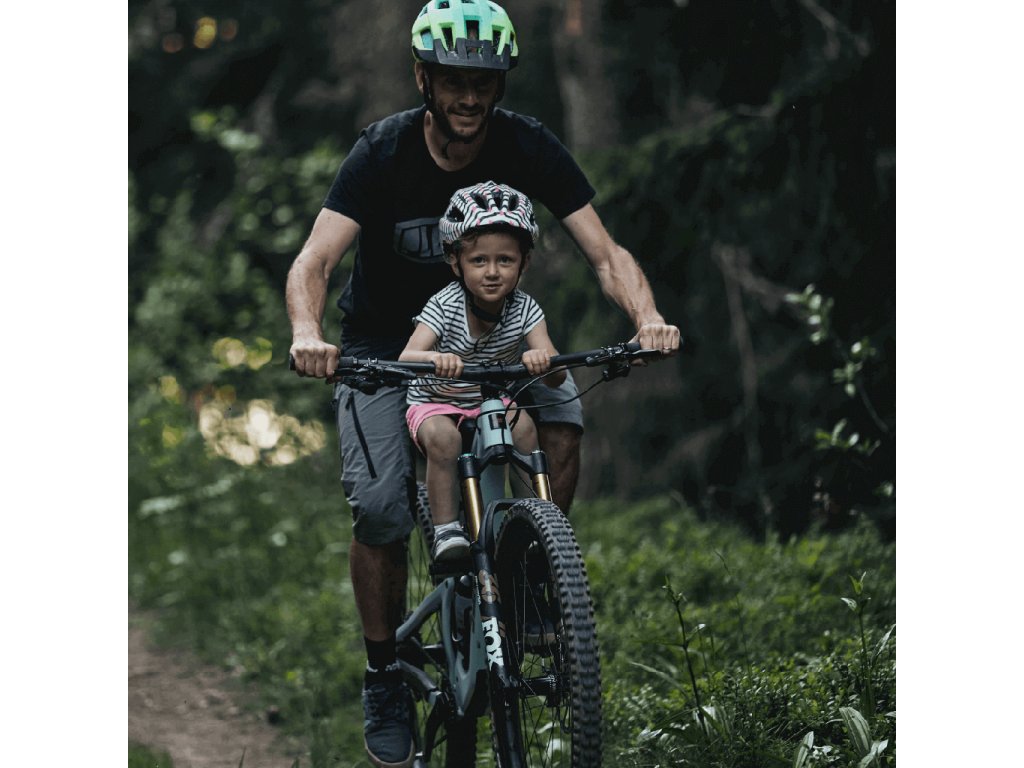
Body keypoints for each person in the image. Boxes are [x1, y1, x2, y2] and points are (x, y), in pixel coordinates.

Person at [285, 2, 680, 765]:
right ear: (423, 79)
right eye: (454, 81)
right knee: (380, 508)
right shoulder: (382, 152)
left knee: (561, 418)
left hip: (499, 346)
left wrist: (648, 316)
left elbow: (605, 252)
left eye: (484, 83)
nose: (470, 97)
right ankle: (383, 673)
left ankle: (531, 575)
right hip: (388, 356)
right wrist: (308, 332)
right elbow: (315, 261)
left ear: (501, 85)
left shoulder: (526, 145)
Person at [400, 181, 566, 562]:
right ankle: (447, 530)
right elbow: (409, 356)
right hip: (435, 400)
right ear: (455, 262)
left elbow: (555, 374)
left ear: (524, 262)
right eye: (478, 261)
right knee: (445, 440)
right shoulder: (444, 305)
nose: (492, 272)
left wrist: (543, 361)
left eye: (505, 260)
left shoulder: (525, 309)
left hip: (487, 399)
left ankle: (535, 521)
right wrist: (435, 360)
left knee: (524, 429)